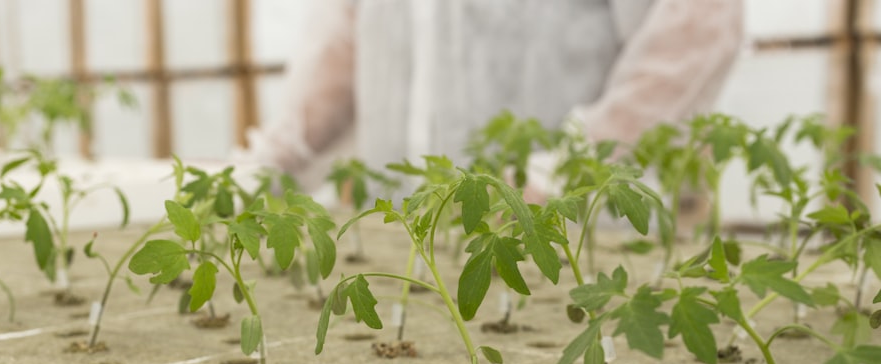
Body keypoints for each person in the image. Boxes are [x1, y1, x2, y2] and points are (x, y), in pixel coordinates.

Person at [242, 0, 745, 193]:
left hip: (566, 230)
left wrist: (573, 167)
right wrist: (276, 163)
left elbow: (696, 23)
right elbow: (343, 41)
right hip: (402, 226)